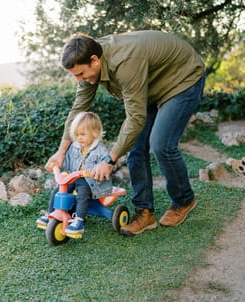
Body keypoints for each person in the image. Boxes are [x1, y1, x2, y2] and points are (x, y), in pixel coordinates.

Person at [45, 30, 206, 236]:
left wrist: (109, 160)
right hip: (149, 87)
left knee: (160, 144)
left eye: (80, 74)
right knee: (136, 149)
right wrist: (61, 152)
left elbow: (136, 118)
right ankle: (145, 213)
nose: (79, 80)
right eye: (75, 75)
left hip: (182, 79)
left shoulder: (125, 63)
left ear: (94, 61)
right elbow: (78, 110)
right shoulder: (88, 62)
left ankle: (184, 201)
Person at [37, 111, 113, 235]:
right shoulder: (75, 146)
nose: (79, 138)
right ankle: (50, 213)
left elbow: (105, 167)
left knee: (82, 192)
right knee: (58, 191)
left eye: (82, 134)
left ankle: (79, 221)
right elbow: (67, 161)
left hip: (92, 182)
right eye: (76, 135)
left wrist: (94, 171)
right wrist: (58, 167)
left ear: (95, 132)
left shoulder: (101, 150)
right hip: (74, 178)